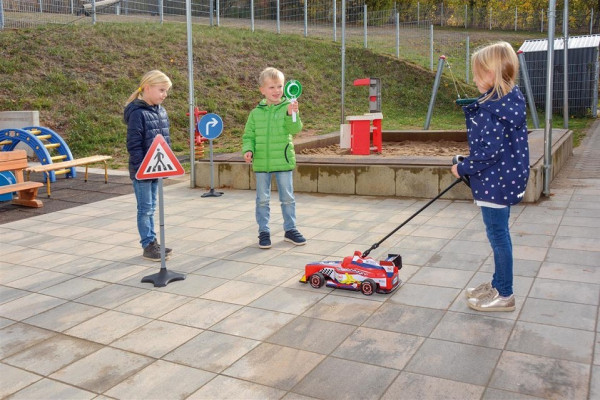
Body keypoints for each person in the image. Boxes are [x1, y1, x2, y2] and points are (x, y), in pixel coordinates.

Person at [451, 41, 530, 312]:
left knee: (498, 236)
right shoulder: (509, 101)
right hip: (503, 180)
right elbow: (496, 148)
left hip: (495, 183)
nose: (473, 78)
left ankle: (505, 294)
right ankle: (498, 283)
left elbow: (488, 153)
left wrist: (461, 168)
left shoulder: (491, 109)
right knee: (498, 233)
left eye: (478, 73)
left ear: (493, 74)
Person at [242, 67, 306, 249]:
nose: (276, 91)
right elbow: (248, 136)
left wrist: (292, 114)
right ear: (262, 89)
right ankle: (264, 231)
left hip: (283, 161)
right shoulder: (255, 113)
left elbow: (295, 129)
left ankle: (290, 229)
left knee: (287, 198)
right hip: (261, 163)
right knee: (262, 199)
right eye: (271, 87)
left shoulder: (288, 107)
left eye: (279, 86)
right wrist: (248, 150)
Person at [124, 70, 174, 261]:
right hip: (143, 171)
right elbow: (134, 145)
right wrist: (141, 169)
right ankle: (148, 245)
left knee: (152, 206)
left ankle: (154, 242)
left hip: (156, 169)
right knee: (145, 208)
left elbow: (164, 141)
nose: (165, 94)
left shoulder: (160, 111)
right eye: (161, 90)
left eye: (166, 91)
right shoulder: (138, 113)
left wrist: (165, 164)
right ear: (147, 88)